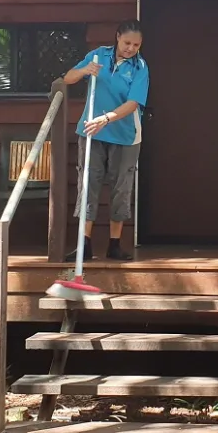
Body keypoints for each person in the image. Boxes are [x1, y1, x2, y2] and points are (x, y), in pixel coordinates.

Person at [61, 20, 149, 262]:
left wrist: (106, 118)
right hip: (91, 132)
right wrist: (84, 71)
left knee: (121, 187)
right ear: (117, 36)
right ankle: (84, 245)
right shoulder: (98, 55)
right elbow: (68, 78)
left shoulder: (140, 67)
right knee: (88, 183)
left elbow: (133, 103)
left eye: (136, 45)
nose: (131, 48)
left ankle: (114, 245)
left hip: (125, 135)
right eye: (127, 42)